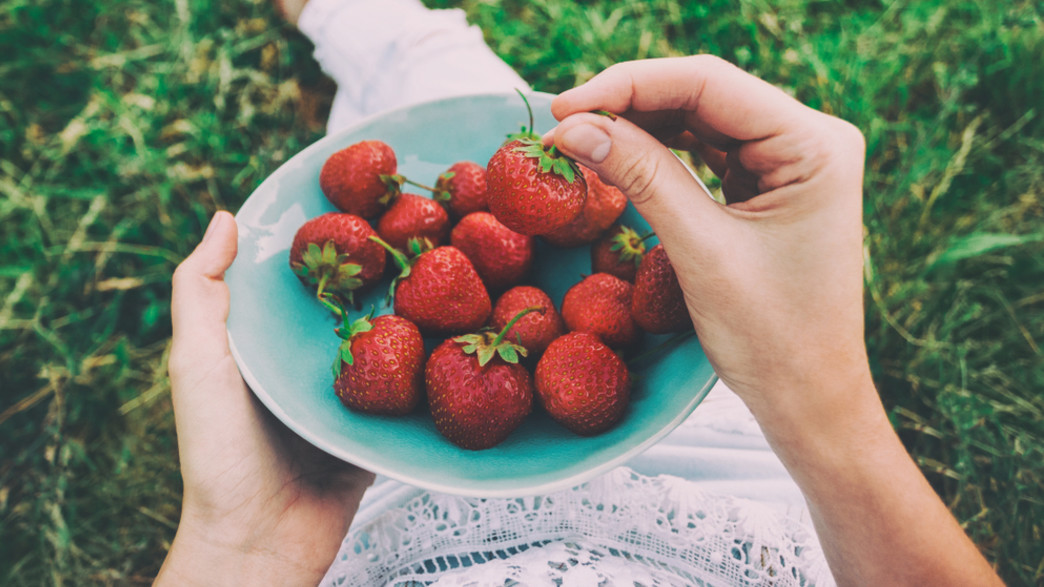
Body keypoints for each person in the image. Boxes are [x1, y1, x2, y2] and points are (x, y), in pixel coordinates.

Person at [155, 1, 1003, 585]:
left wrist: (246, 548)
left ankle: (358, 19)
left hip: (379, 502)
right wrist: (821, 410)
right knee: (439, 82)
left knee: (430, 76)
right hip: (742, 473)